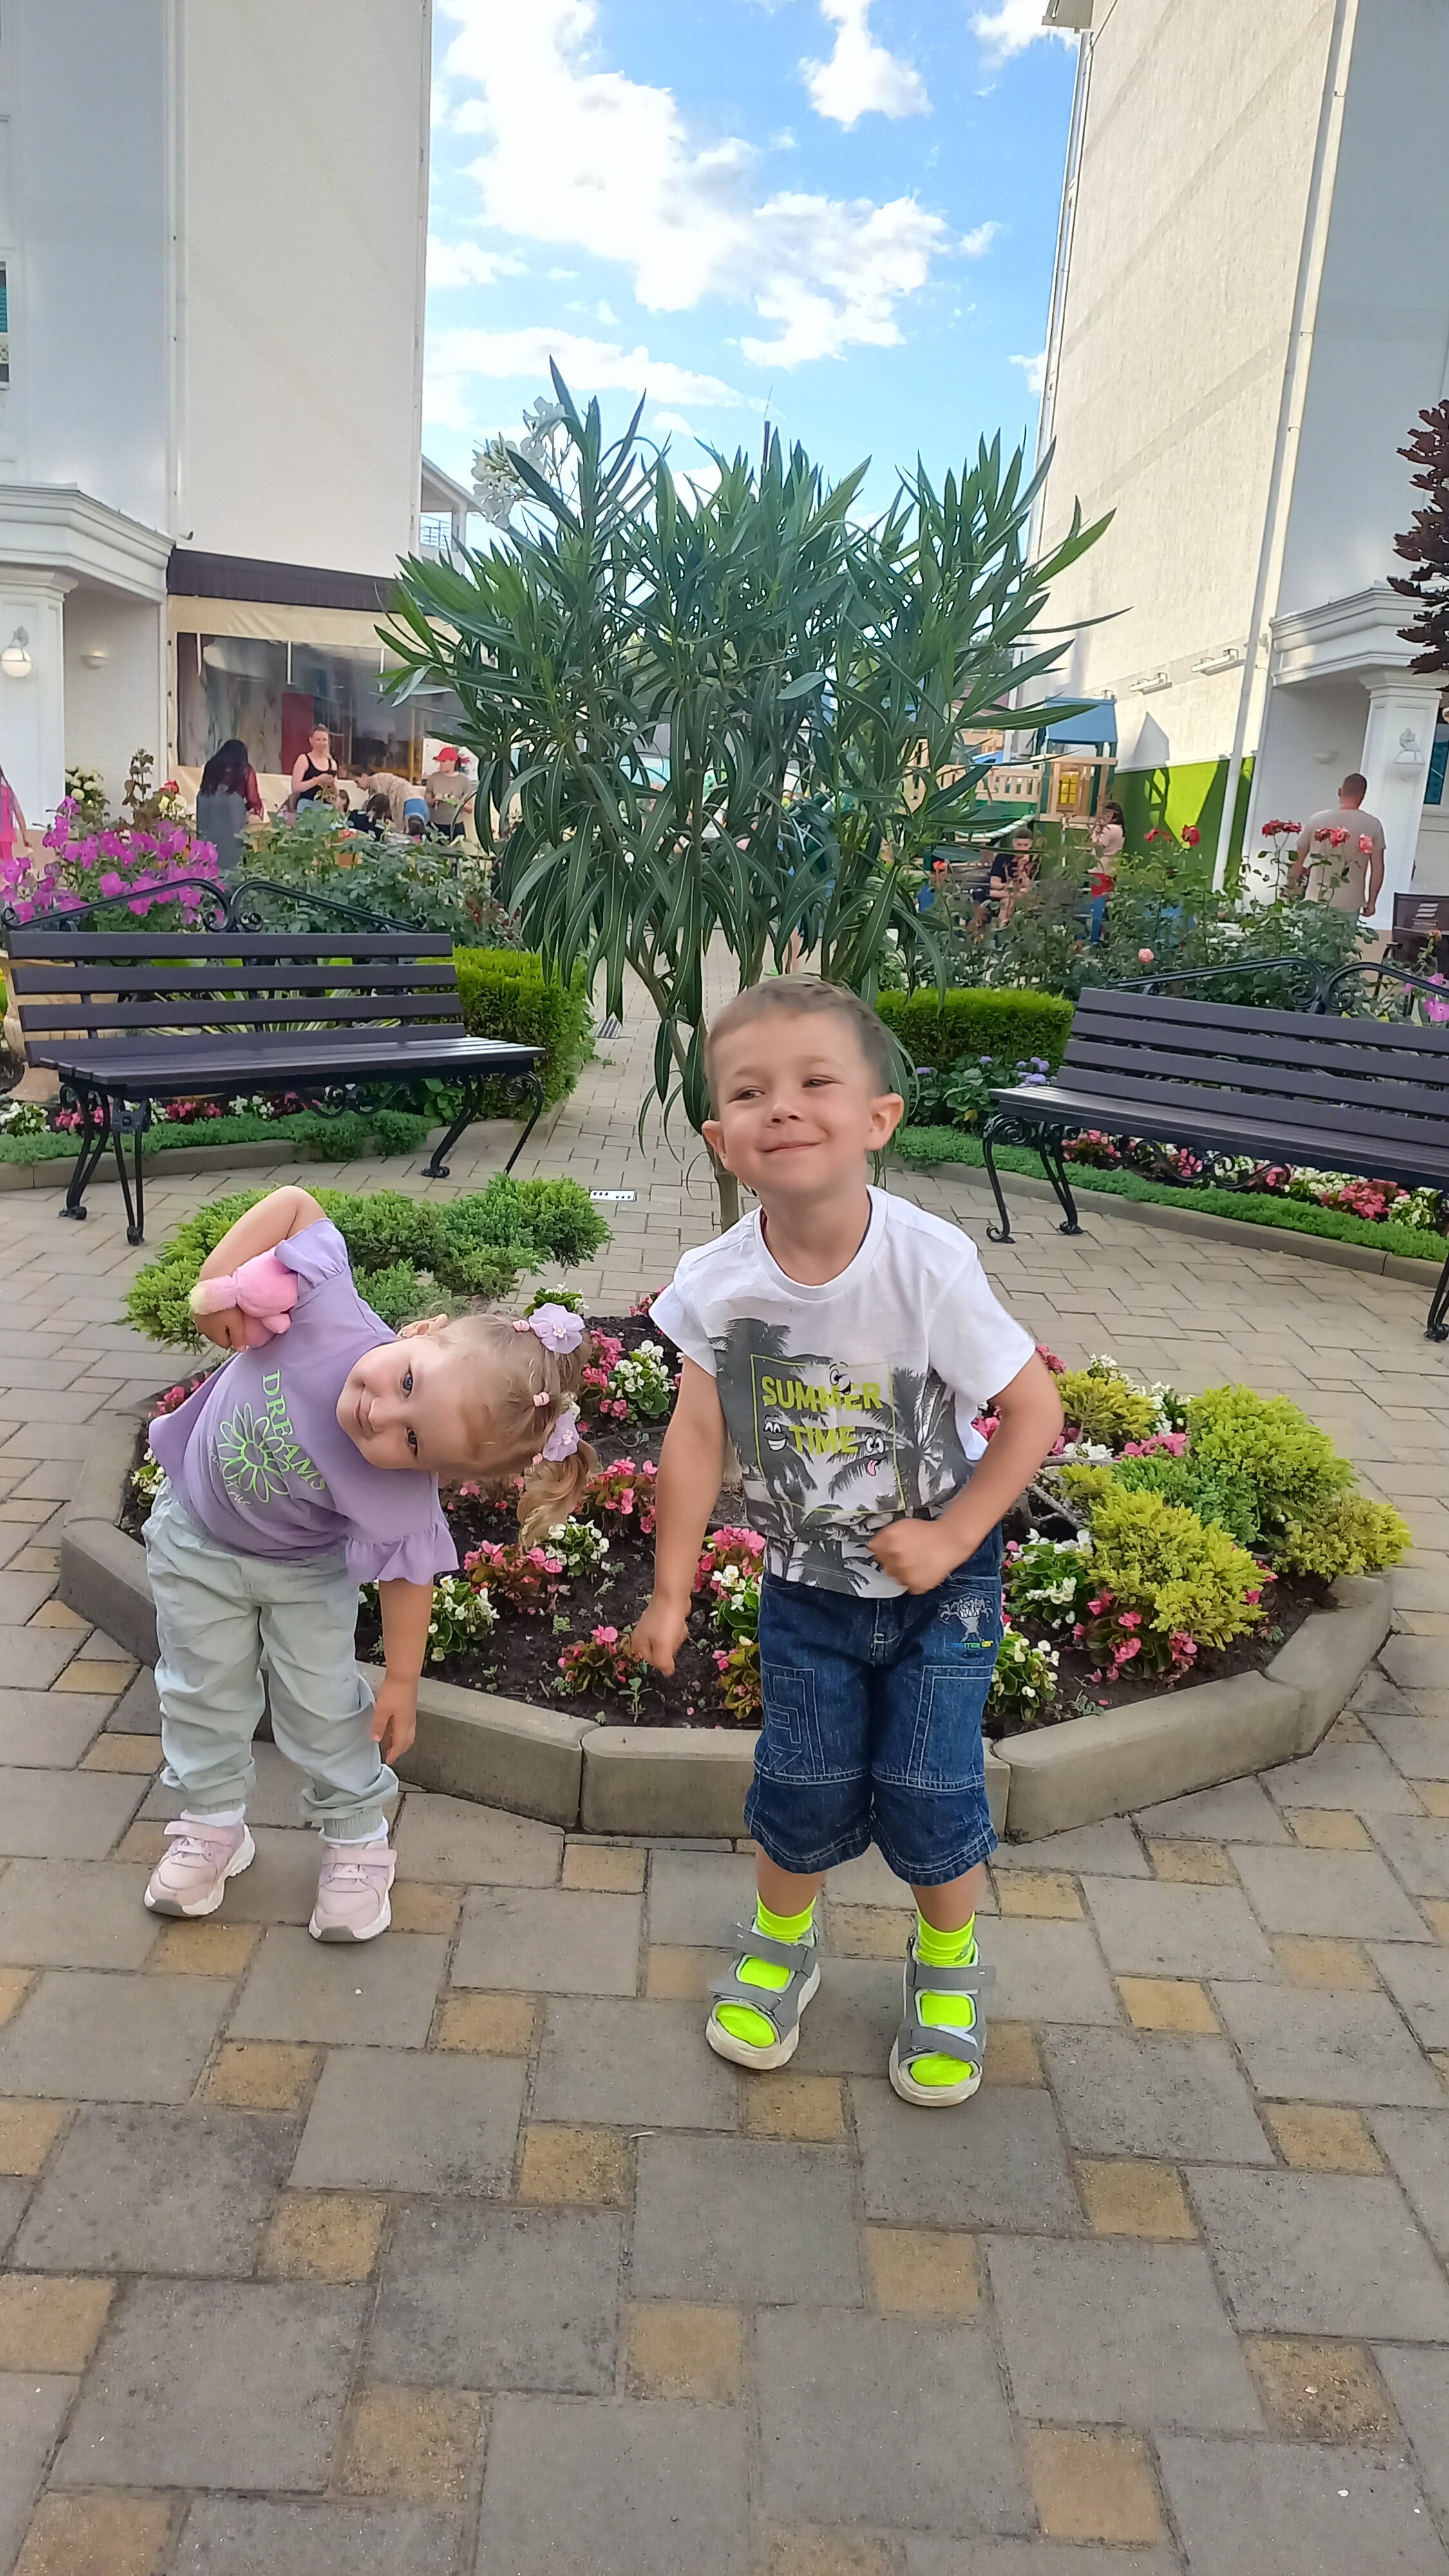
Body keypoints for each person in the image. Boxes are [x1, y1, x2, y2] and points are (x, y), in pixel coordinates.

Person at [631, 978, 1063, 2107]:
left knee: (931, 1786)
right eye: (750, 1092)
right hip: (806, 1590)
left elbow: (1032, 1411)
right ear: (721, 1141)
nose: (782, 1106)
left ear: (877, 1119)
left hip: (942, 1595)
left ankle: (947, 1964)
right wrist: (671, 1590)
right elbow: (694, 1434)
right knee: (801, 1779)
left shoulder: (926, 1264)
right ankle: (783, 1944)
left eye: (815, 1081)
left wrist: (956, 1532)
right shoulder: (716, 1286)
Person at [140, 1186, 597, 1940]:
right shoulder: (331, 1311)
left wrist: (403, 1682)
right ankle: (213, 1822)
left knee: (324, 1708)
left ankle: (357, 1838)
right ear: (423, 1331)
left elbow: (406, 1578)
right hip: (194, 1536)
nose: (380, 1413)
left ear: (436, 1472)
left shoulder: (398, 1493)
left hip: (301, 1576)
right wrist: (214, 1284)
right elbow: (295, 1204)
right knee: (199, 1690)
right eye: (407, 1381)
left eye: (412, 1440)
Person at [1287, 773, 1385, 918]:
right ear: (1363, 797)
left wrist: (1291, 887)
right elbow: (1378, 869)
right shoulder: (1373, 825)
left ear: (1340, 792)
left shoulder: (1317, 820)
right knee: (1343, 933)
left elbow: (1298, 858)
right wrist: (1371, 902)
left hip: (1316, 899)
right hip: (1350, 904)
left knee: (1311, 933)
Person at [195, 740, 258, 882]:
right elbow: (253, 800)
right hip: (233, 811)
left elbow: (204, 788)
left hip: (207, 807)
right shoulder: (244, 769)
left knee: (208, 855)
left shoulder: (211, 765)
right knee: (231, 856)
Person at [1087, 800, 1125, 943]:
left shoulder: (1110, 829)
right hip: (1110, 870)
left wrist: (1096, 830)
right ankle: (1103, 935)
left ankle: (1095, 936)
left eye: (1107, 813)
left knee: (1098, 904)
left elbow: (1098, 846)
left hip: (1100, 869)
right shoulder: (1119, 829)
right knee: (1106, 904)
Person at [424, 746, 469, 838]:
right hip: (435, 825)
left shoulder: (464, 780)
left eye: (443, 761)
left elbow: (470, 809)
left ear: (453, 762)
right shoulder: (434, 778)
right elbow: (426, 801)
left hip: (455, 826)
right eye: (440, 761)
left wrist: (455, 801)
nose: (440, 764)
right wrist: (435, 799)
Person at [291, 724, 339, 810]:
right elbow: (296, 787)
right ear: (311, 740)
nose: (322, 743)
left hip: (326, 808)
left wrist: (331, 785)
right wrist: (317, 780)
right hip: (307, 807)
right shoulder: (304, 759)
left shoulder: (332, 763)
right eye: (318, 740)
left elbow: (336, 792)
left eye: (324, 740)